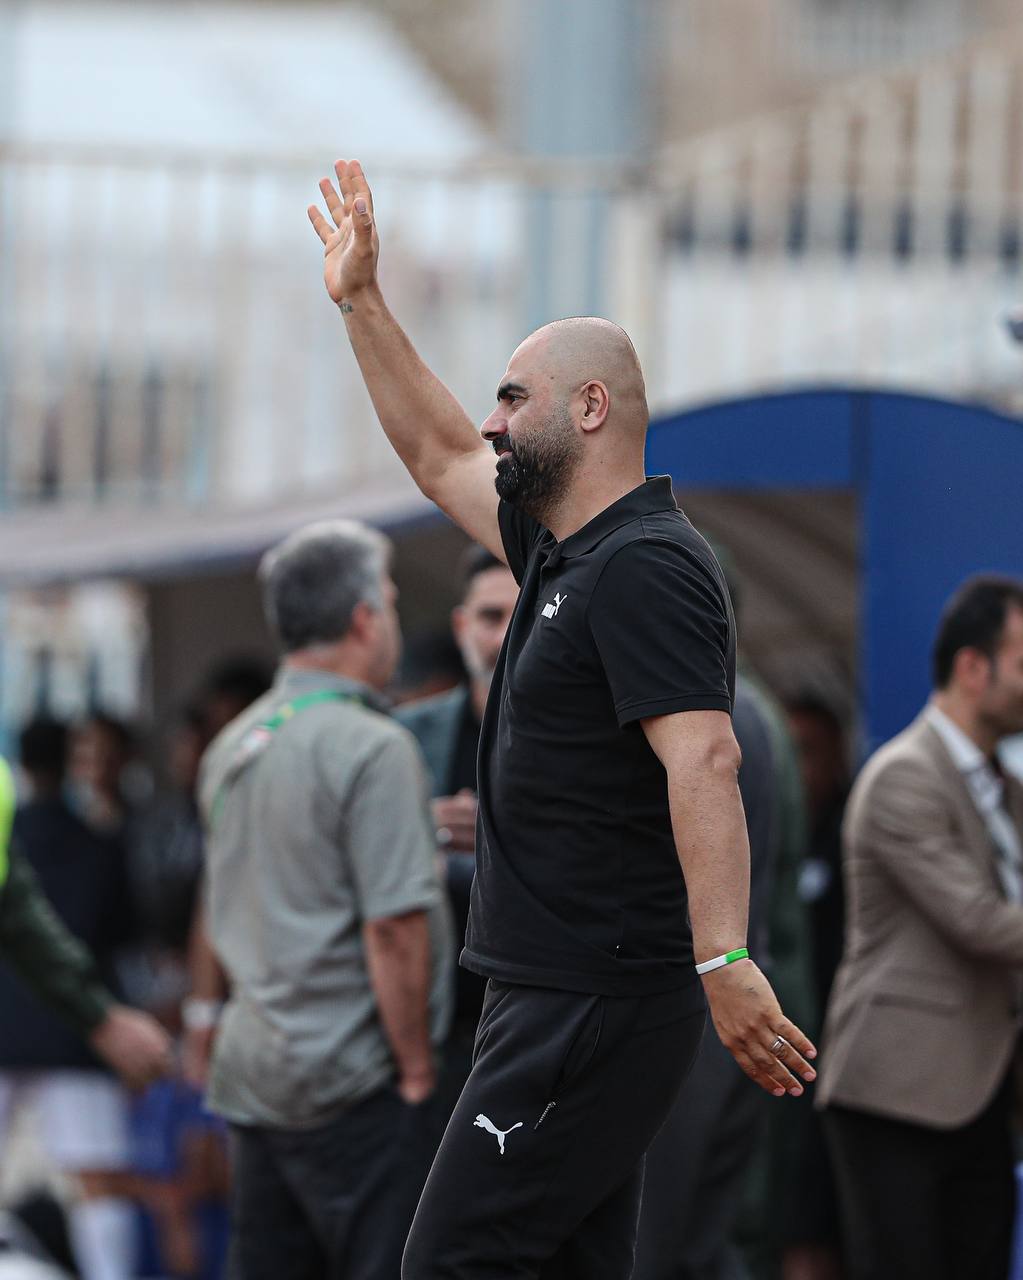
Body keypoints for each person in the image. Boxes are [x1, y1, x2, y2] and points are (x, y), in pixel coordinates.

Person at [308, 158, 817, 1280]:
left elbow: (706, 758)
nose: (492, 422)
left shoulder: (647, 564)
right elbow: (438, 451)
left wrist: (726, 957)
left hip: (591, 993)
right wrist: (361, 302)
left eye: (513, 398)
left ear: (591, 408)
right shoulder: (563, 551)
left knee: (453, 1259)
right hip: (553, 988)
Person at [195, 519, 453, 1280]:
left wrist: (204, 1020)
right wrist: (416, 1071)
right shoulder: (373, 746)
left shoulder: (234, 744)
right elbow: (394, 928)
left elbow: (215, 901)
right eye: (392, 602)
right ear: (365, 618)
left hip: (255, 1077)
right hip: (355, 1081)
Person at [817, 574, 1023, 1280]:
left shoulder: (1003, 787)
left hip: (981, 1092)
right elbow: (979, 922)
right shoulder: (901, 776)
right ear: (973, 667)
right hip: (896, 1093)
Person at [0, 743, 172, 1280]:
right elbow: (117, 929)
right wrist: (101, 1014)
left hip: (15, 1019)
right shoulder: (98, 842)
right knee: (98, 1178)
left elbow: (17, 911)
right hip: (66, 1028)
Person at [396, 545, 519, 1116]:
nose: (505, 637)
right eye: (491, 617)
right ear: (461, 626)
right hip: (433, 1023)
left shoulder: (587, 737)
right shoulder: (405, 736)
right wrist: (420, 829)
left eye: (522, 614)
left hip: (537, 1016)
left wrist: (500, 835)